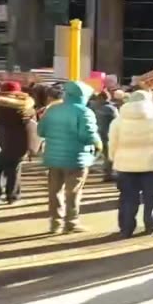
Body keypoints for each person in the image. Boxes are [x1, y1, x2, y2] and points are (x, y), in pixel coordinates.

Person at [108, 90, 153, 238]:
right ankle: (151, 223)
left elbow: (112, 144)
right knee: (152, 197)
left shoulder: (118, 121)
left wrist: (114, 159)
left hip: (125, 166)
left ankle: (126, 228)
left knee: (127, 198)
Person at [38, 81, 103, 233]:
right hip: (76, 157)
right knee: (73, 191)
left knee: (54, 191)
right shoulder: (84, 112)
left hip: (53, 157)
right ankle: (71, 222)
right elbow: (87, 136)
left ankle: (55, 223)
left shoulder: (52, 110)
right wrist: (98, 145)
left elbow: (41, 131)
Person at [0, 81, 35, 206]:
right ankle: (12, 196)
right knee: (14, 171)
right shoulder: (26, 108)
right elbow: (32, 128)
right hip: (19, 144)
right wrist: (31, 147)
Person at [91, 90, 120, 181]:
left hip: (97, 133)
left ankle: (104, 172)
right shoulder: (111, 108)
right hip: (108, 134)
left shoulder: (94, 107)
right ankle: (109, 174)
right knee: (109, 155)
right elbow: (117, 121)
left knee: (103, 154)